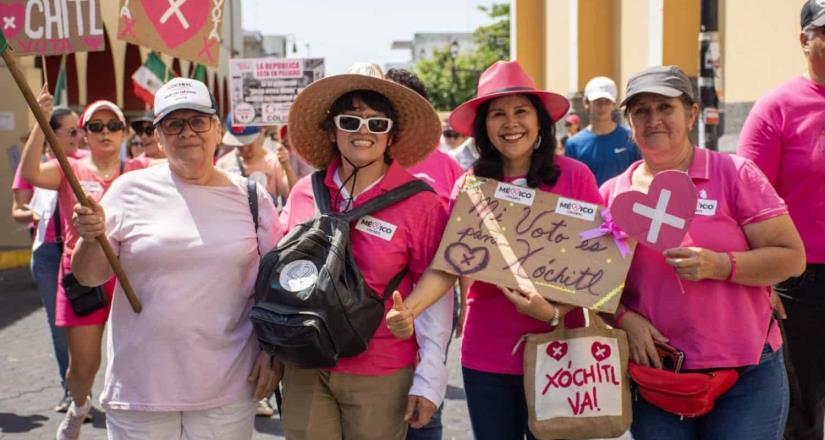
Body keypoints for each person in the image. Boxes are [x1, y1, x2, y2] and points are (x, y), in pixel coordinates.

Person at [387, 60, 602, 440]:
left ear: (539, 121)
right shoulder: (469, 185)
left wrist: (553, 312)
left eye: (521, 111)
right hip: (488, 353)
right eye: (498, 113)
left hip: (561, 348)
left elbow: (601, 264)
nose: (511, 122)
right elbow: (448, 265)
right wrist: (410, 311)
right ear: (484, 126)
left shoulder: (576, 177)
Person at [601, 65, 805, 440]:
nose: (653, 120)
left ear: (691, 113)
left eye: (665, 107)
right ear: (628, 121)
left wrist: (720, 265)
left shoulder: (735, 174)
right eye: (641, 111)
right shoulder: (614, 194)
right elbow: (593, 284)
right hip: (658, 375)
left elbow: (791, 257)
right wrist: (624, 316)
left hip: (748, 374)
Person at [70, 77, 281, 440]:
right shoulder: (128, 190)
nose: (187, 133)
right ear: (159, 135)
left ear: (216, 129)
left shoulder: (251, 197)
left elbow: (275, 283)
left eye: (198, 121)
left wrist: (273, 353)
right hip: (141, 389)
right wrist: (91, 239)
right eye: (173, 124)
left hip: (227, 388)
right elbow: (89, 277)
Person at [278, 61, 449, 440]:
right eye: (350, 121)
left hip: (381, 370)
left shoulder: (422, 204)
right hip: (305, 364)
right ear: (332, 130)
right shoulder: (304, 191)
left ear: (391, 135)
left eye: (377, 123)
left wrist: (431, 376)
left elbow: (438, 288)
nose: (363, 132)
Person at [19, 95, 144, 440]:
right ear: (84, 133)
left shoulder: (139, 171)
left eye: (114, 126)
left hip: (127, 277)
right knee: (83, 369)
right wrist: (39, 121)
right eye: (96, 126)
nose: (106, 132)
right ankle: (78, 404)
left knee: (133, 361)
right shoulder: (68, 165)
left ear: (123, 133)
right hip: (81, 278)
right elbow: (29, 173)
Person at [736, 2, 825, 438]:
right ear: (804, 39)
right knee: (801, 410)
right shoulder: (777, 108)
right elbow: (744, 201)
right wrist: (762, 282)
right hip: (801, 281)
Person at [385, 66, 459, 440]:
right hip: (370, 344)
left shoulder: (450, 168)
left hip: (431, 325)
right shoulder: (361, 166)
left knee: (425, 421)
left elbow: (458, 255)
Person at [10, 106, 86, 413]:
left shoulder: (84, 163)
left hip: (78, 252)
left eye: (79, 129)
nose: (77, 136)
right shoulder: (36, 166)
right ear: (50, 134)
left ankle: (86, 381)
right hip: (46, 254)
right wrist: (33, 214)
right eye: (70, 131)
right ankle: (70, 389)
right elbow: (17, 210)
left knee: (87, 323)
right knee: (59, 326)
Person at [565, 76, 641, 185]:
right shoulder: (573, 144)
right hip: (587, 202)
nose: (603, 106)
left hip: (622, 201)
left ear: (614, 104)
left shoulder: (630, 137)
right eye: (598, 101)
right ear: (586, 103)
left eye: (607, 101)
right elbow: (571, 182)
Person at [216, 114, 294, 204]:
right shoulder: (223, 164)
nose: (245, 149)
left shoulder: (274, 162)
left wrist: (287, 167)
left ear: (262, 133)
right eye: (240, 145)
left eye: (249, 143)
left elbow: (293, 195)